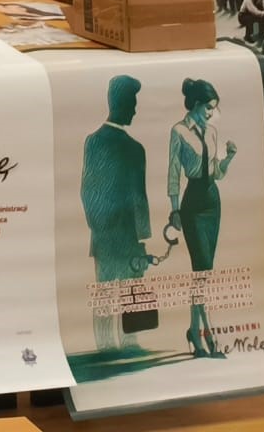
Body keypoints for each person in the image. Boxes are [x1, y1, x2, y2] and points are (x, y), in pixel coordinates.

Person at [168, 77, 238, 359]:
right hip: (193, 204)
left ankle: (194, 331)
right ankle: (208, 335)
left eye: (214, 108)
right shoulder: (178, 131)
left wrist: (229, 158)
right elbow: (173, 172)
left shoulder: (212, 133)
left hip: (212, 201)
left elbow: (216, 173)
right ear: (196, 104)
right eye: (208, 107)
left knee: (203, 273)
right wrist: (174, 209)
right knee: (202, 268)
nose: (211, 112)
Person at [81, 75, 151, 352]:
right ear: (120, 103)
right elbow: (137, 198)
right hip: (123, 237)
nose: (135, 109)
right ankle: (124, 347)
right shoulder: (133, 149)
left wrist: (100, 229)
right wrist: (140, 238)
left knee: (111, 296)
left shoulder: (95, 142)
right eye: (132, 102)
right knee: (120, 296)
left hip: (110, 237)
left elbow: (88, 191)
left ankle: (109, 349)